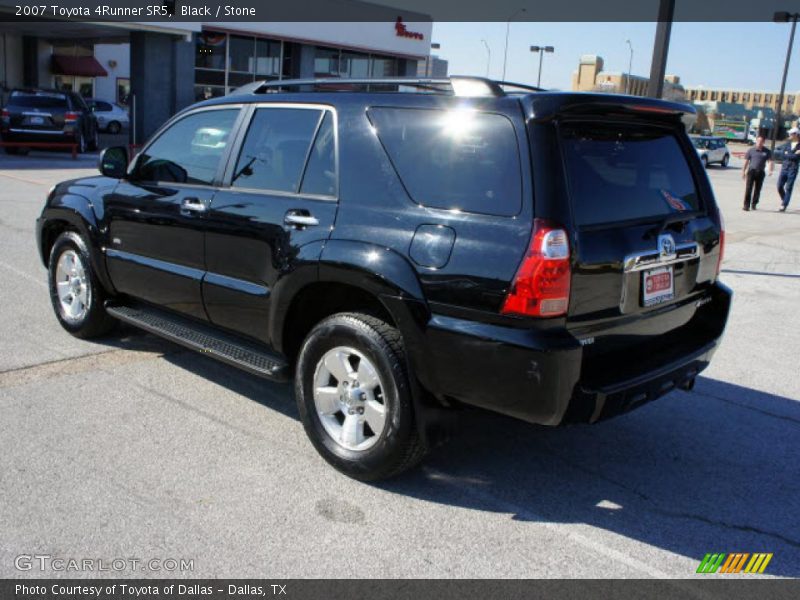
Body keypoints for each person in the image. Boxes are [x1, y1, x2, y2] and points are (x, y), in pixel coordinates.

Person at [742, 135, 773, 211]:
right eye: (758, 141)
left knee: (758, 189)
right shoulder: (751, 150)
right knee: (748, 188)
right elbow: (746, 161)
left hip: (761, 172)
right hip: (751, 171)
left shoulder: (767, 151)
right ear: (756, 141)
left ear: (763, 142)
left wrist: (770, 170)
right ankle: (746, 205)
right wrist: (743, 171)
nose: (759, 143)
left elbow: (770, 161)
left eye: (761, 141)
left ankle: (754, 204)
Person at [777, 127, 800, 212]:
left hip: (793, 169)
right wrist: (791, 154)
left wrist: (788, 154)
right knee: (779, 186)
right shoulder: (787, 144)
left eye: (791, 134)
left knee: (789, 187)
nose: (789, 135)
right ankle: (785, 199)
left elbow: (796, 157)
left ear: (796, 135)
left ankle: (784, 205)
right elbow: (782, 154)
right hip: (785, 168)